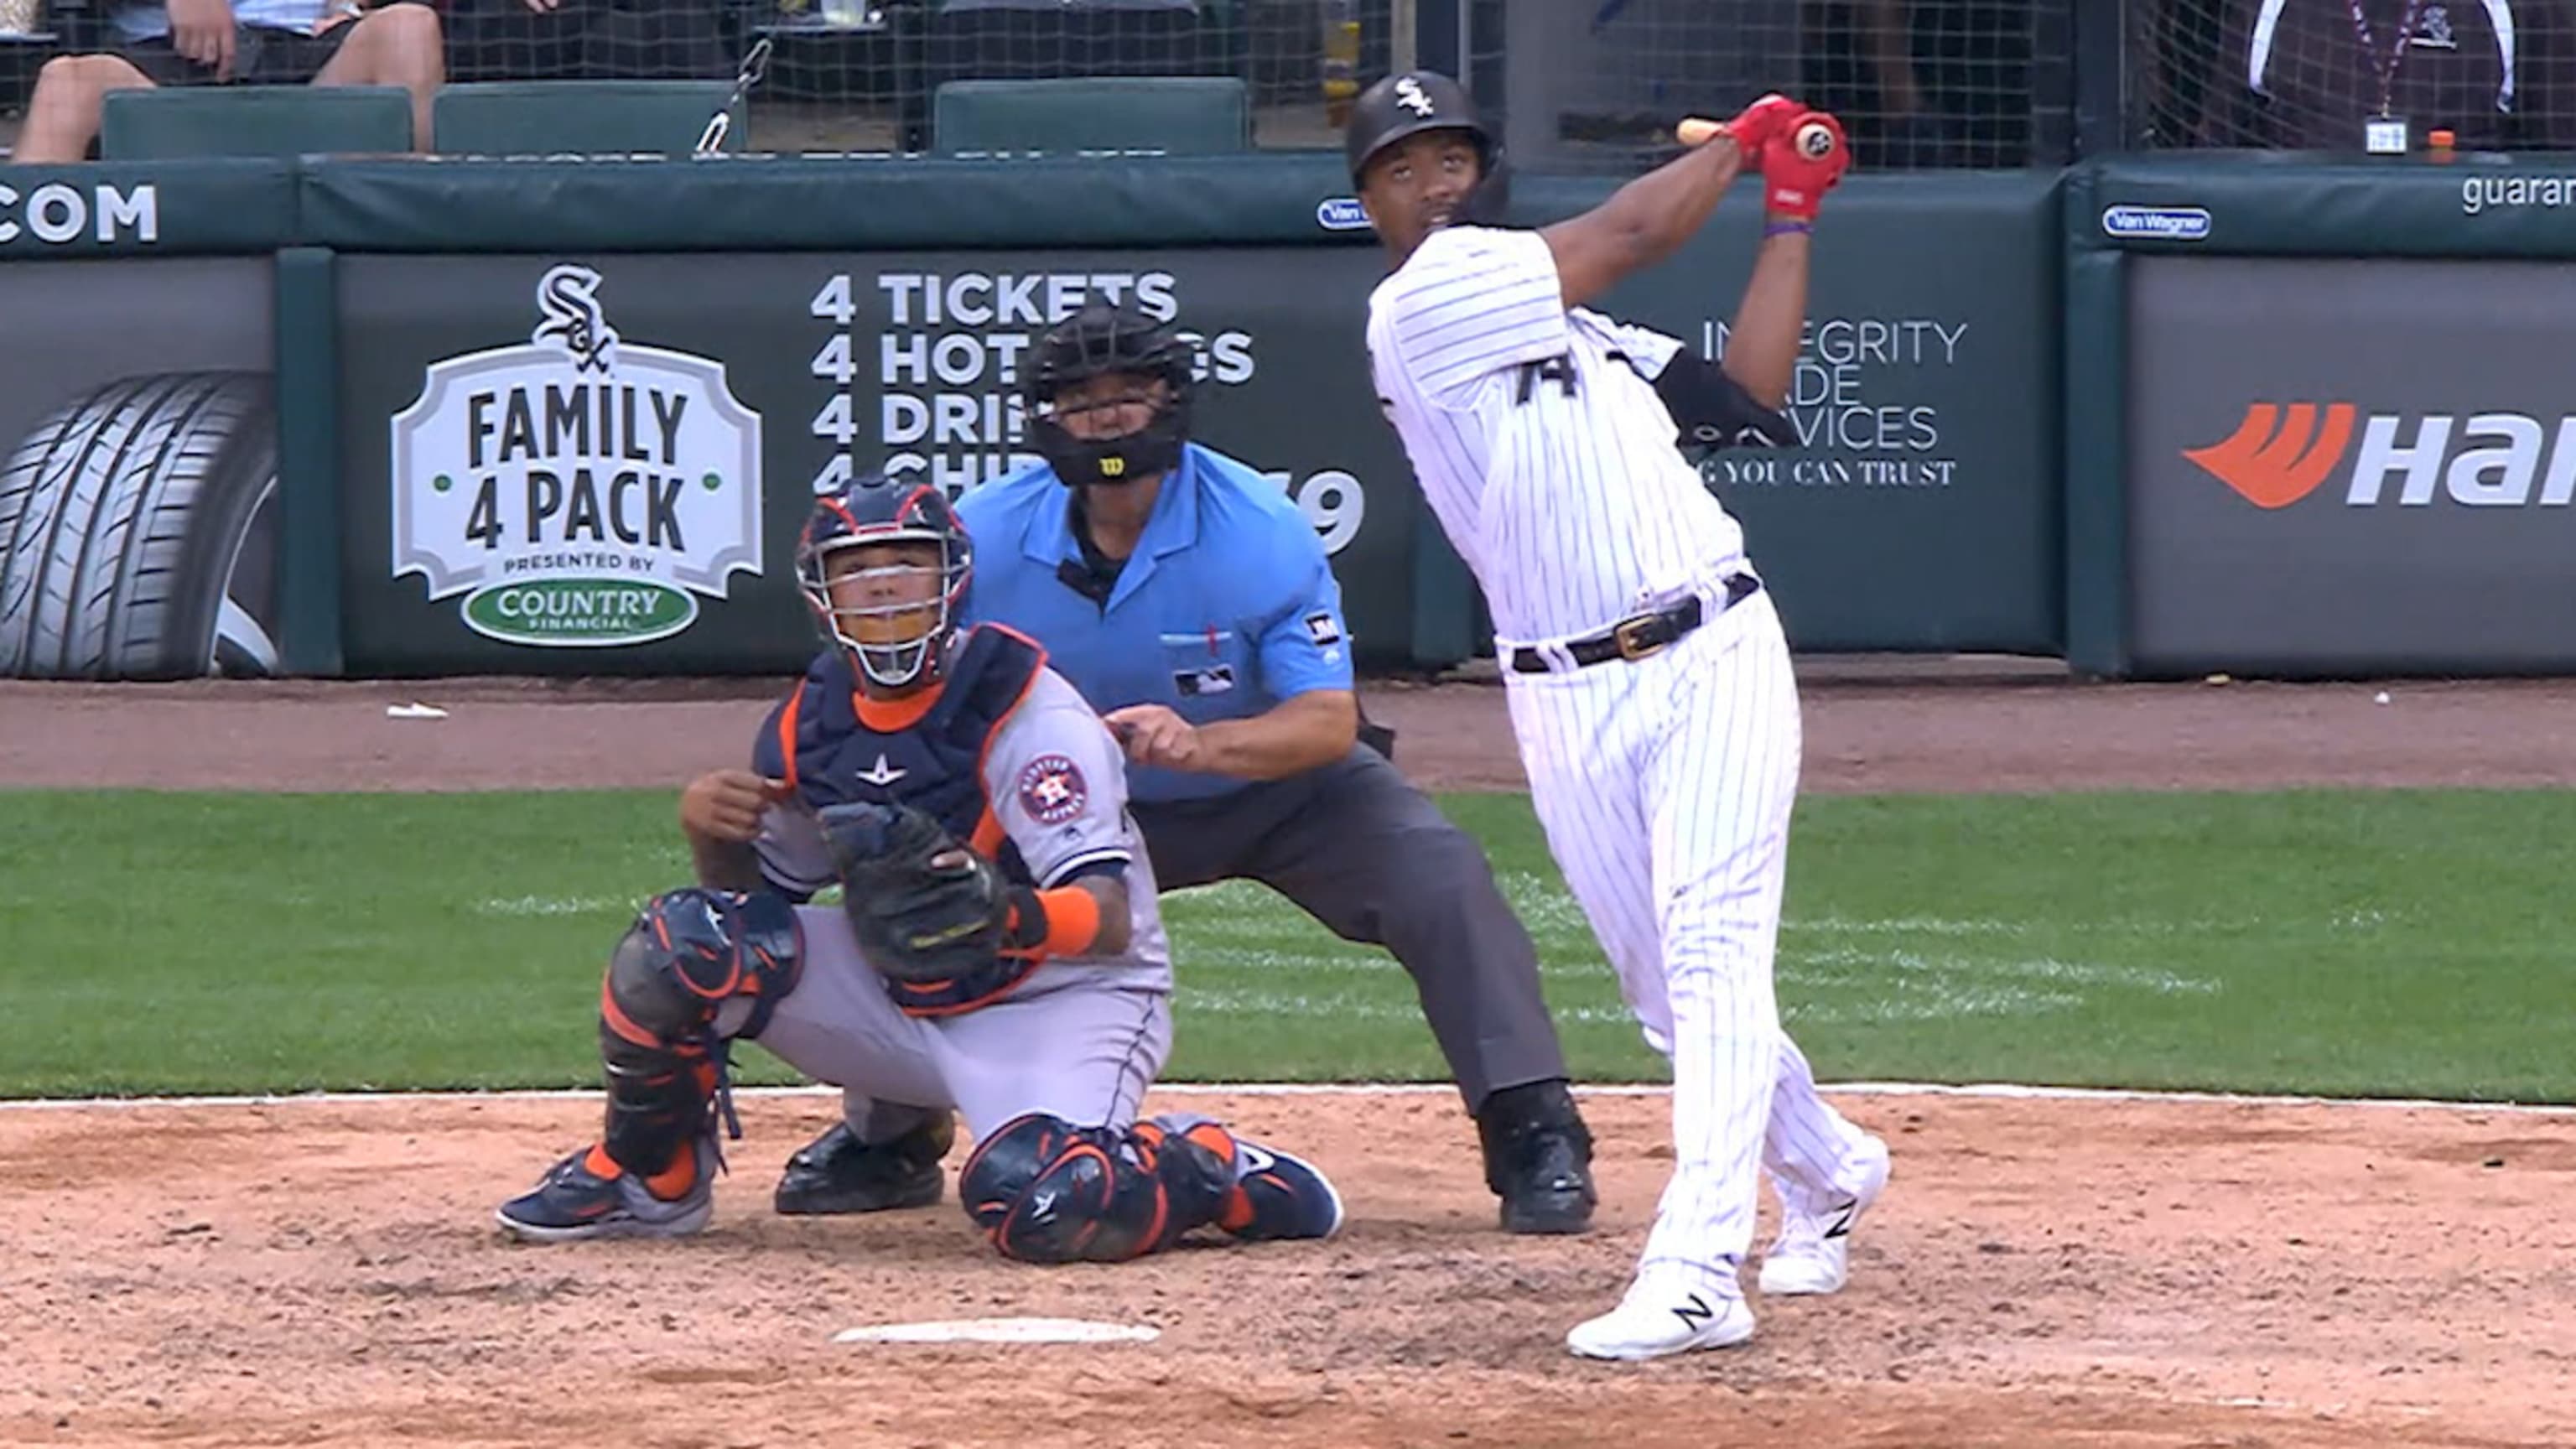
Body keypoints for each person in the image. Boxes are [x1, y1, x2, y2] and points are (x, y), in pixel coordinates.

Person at [769, 297, 1604, 1239]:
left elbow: (1328, 722)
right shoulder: (987, 533)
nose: (1111, 416)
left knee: (1437, 874)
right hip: (1066, 811)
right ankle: (891, 1131)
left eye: (1132, 392)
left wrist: (1202, 745)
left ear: (1174, 400)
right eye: (1085, 399)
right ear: (1047, 418)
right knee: (916, 877)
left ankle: (1532, 1126)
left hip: (1272, 785)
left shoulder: (1258, 528)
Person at [1346, 70, 1893, 1362]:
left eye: (1449, 159)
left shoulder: (1585, 338)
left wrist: (1792, 214)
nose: (1431, 186)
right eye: (1398, 170)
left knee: (1708, 961)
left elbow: (1747, 399)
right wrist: (1754, 141)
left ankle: (1700, 1266)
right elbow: (1639, 233)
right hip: (1561, 691)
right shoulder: (1420, 306)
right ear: (1367, 205)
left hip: (1711, 645)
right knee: (1661, 990)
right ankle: (1829, 1166)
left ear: (1487, 171)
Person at [495, 472, 1344, 1264]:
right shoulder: (811, 720)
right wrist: (711, 837)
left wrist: (1002, 917)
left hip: (1059, 1000)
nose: (887, 592)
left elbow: (1107, 917)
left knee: (1041, 1203)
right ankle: (651, 1179)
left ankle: (1206, 1162)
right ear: (822, 599)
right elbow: (751, 915)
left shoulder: (1027, 706)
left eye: (908, 568)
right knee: (684, 944)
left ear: (955, 581)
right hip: (902, 1000)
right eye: (860, 575)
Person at [11, 0, 444, 164]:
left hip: (306, 51)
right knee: (67, 84)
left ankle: (411, 242)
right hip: (163, 63)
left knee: (409, 28)